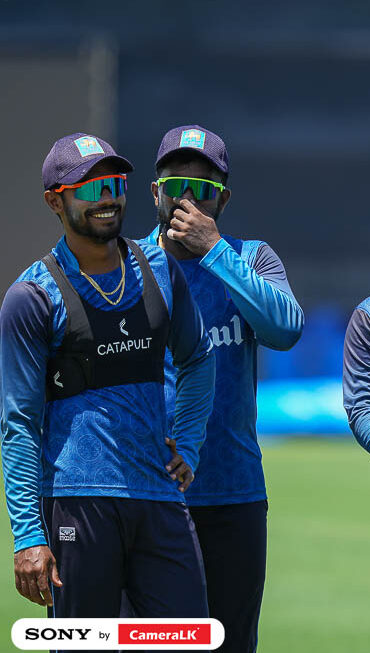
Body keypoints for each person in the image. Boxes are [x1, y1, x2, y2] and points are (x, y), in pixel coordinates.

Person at [0, 133, 214, 618]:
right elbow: (18, 424)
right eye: (92, 189)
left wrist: (190, 438)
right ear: (55, 201)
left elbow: (198, 357)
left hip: (159, 497)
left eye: (115, 184)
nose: (109, 199)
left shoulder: (160, 269)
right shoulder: (32, 296)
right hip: (77, 502)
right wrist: (30, 535)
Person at [140, 125, 304, 651]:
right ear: (154, 192)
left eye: (204, 189)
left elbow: (285, 329)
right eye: (176, 185)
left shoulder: (250, 257)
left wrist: (212, 250)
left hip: (233, 492)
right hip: (148, 492)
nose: (188, 200)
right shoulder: (127, 263)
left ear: (223, 199)